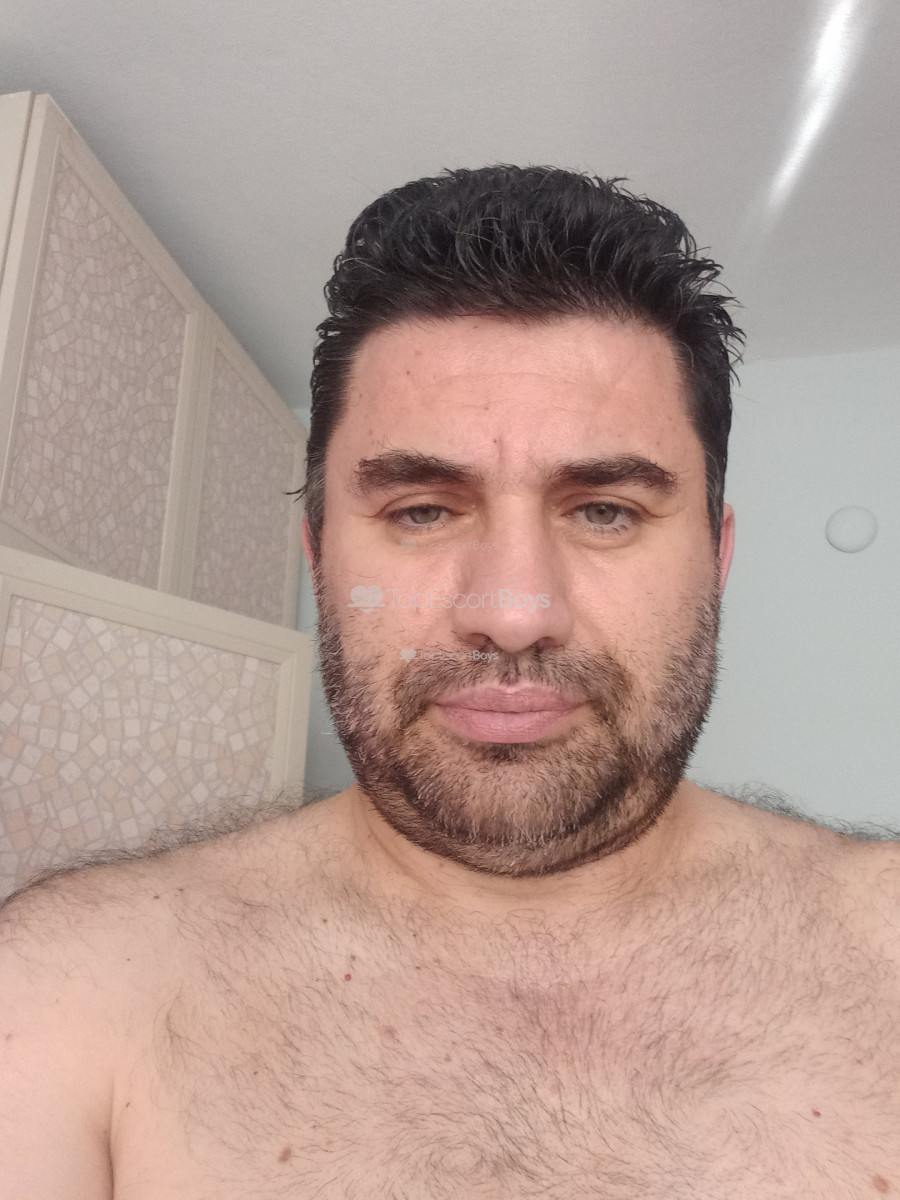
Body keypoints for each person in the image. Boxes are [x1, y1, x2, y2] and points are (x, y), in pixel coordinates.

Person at [2, 165, 898, 1199]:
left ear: (717, 556)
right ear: (318, 556)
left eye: (605, 510)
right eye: (422, 510)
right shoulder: (70, 987)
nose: (513, 612)